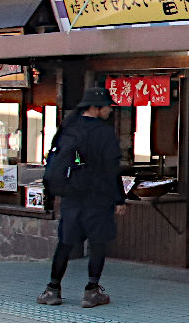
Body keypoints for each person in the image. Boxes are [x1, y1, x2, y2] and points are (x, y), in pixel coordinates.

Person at [38, 86, 125, 308]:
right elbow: (112, 169)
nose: (110, 111)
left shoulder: (69, 128)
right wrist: (119, 199)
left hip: (72, 197)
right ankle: (91, 292)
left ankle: (52, 289)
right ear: (96, 108)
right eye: (107, 107)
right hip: (99, 197)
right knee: (98, 243)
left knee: (65, 243)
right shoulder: (104, 133)